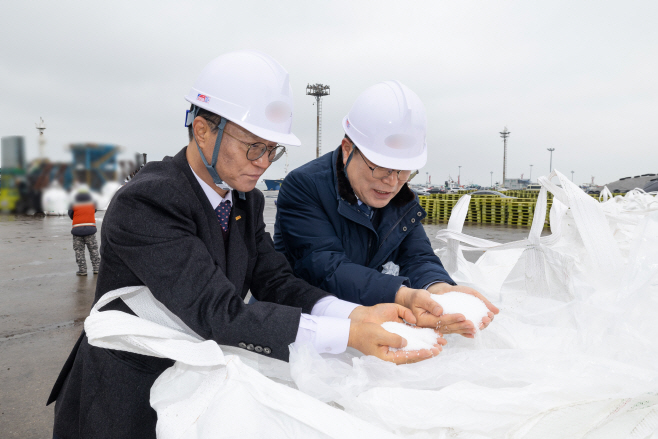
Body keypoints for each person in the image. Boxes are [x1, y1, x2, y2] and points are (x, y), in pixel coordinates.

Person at [47, 52, 442, 439]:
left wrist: (356, 315)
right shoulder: (149, 202)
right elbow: (217, 310)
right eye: (254, 146)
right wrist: (347, 335)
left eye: (272, 149)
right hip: (129, 393)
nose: (264, 161)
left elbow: (277, 282)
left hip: (198, 388)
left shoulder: (244, 201)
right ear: (203, 130)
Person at [274, 80, 499, 337]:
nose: (392, 182)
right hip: (301, 324)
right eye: (380, 167)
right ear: (348, 150)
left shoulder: (402, 199)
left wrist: (437, 288)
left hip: (367, 317)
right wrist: (401, 294)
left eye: (404, 170)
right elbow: (326, 267)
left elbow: (417, 256)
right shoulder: (305, 186)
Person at [67, 188, 100, 276]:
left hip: (77, 230)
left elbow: (70, 214)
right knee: (93, 250)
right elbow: (95, 210)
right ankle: (97, 268)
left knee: (79, 251)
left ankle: (82, 270)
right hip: (90, 230)